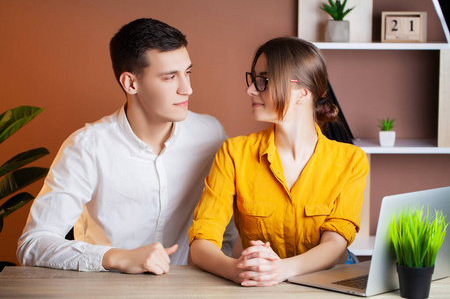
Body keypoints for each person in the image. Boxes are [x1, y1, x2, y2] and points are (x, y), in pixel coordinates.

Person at [17, 18, 236, 274]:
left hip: (190, 289)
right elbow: (32, 243)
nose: (187, 89)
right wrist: (117, 258)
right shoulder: (86, 147)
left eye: (187, 72)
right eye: (169, 77)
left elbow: (225, 232)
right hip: (107, 289)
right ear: (131, 83)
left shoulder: (211, 134)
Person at [188, 37, 369, 286]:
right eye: (252, 80)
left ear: (302, 93)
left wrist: (281, 269)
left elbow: (335, 244)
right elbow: (201, 243)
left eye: (263, 81)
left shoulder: (351, 160)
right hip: (260, 282)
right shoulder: (234, 153)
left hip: (330, 282)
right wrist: (237, 269)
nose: (250, 90)